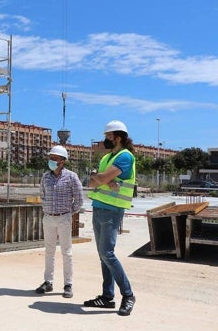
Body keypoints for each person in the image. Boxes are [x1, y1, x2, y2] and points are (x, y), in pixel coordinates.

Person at [83, 120, 137, 316]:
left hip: (113, 210)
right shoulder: (107, 158)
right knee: (103, 255)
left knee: (107, 253)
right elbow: (91, 181)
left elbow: (102, 179)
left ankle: (128, 295)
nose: (105, 139)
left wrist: (103, 177)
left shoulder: (125, 157)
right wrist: (98, 175)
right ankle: (107, 297)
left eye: (108, 136)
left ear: (118, 137)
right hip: (98, 207)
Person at [34, 145, 83, 299]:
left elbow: (79, 199)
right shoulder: (45, 177)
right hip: (48, 217)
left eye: (55, 158)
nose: (52, 161)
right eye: (51, 158)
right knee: (49, 251)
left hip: (64, 218)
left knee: (66, 252)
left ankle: (68, 284)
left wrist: (68, 213)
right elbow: (42, 195)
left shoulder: (71, 177)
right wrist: (47, 209)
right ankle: (48, 281)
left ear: (63, 161)